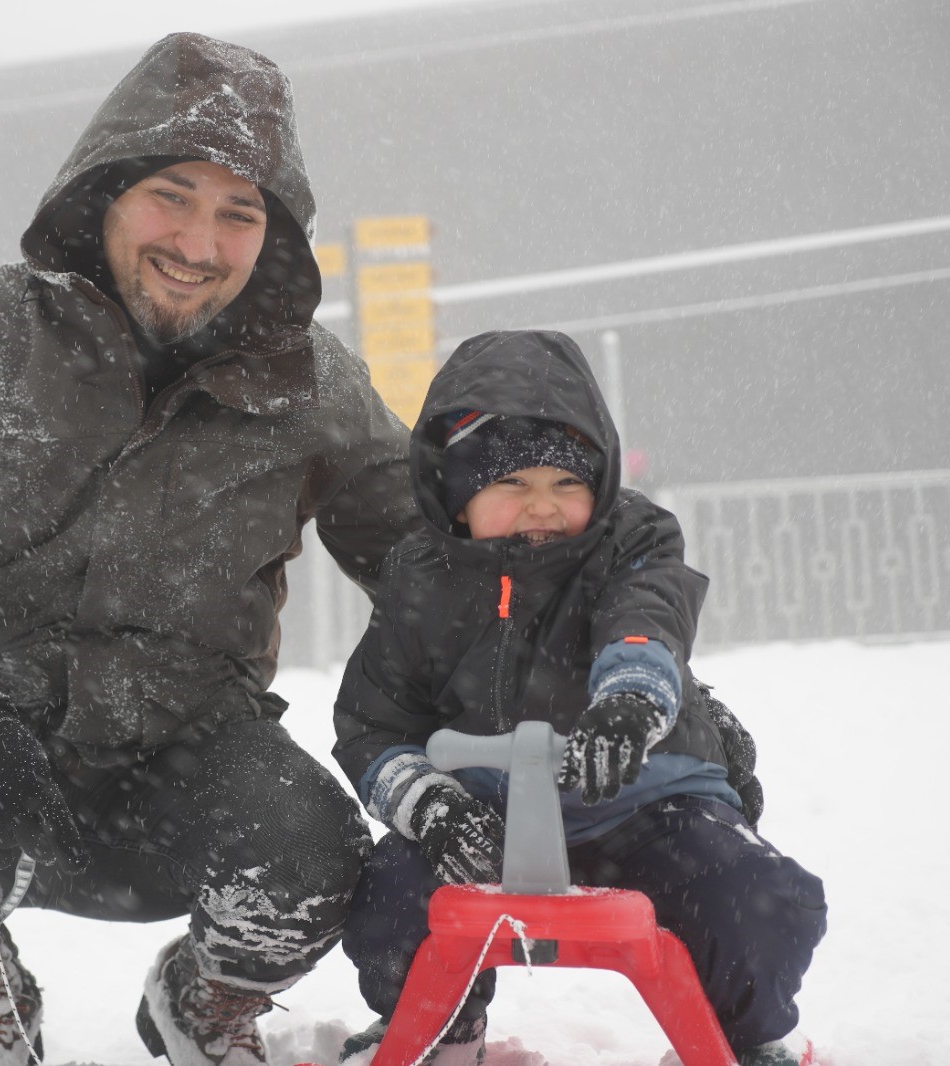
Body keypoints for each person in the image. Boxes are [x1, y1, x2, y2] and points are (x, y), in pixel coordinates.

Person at [0, 33, 417, 1066]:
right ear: (105, 191)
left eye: (239, 212)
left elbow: (436, 568)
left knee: (315, 845)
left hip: (187, 768)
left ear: (275, 236)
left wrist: (600, 641)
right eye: (173, 196)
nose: (200, 242)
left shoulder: (312, 385)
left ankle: (206, 1000)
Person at [331, 330, 827, 1066]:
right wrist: (429, 805)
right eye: (512, 484)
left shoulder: (631, 540)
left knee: (754, 898)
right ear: (458, 495)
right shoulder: (422, 577)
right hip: (486, 812)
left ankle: (743, 1039)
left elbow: (645, 616)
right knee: (391, 898)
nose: (543, 507)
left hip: (647, 805)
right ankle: (440, 1028)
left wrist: (630, 701)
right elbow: (375, 722)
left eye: (567, 483)